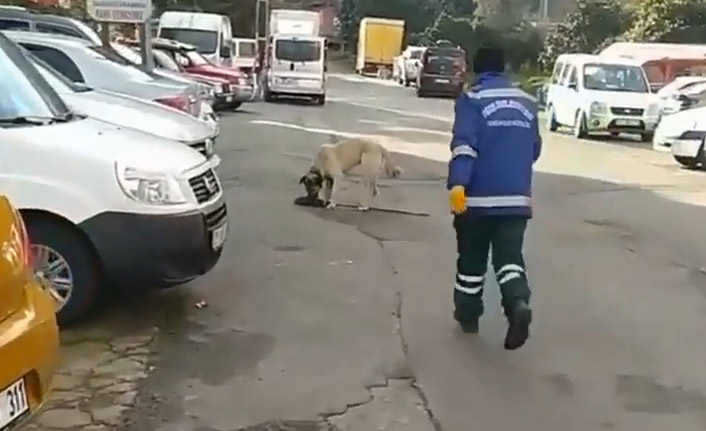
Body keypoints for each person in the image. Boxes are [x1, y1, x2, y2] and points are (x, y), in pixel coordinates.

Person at [447, 45, 542, 351]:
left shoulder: (472, 99)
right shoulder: (527, 102)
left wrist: (458, 184)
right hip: (517, 199)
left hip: (476, 199)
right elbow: (535, 149)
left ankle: (468, 315)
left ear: (477, 69)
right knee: (509, 259)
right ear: (504, 68)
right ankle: (517, 304)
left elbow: (464, 145)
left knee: (472, 261)